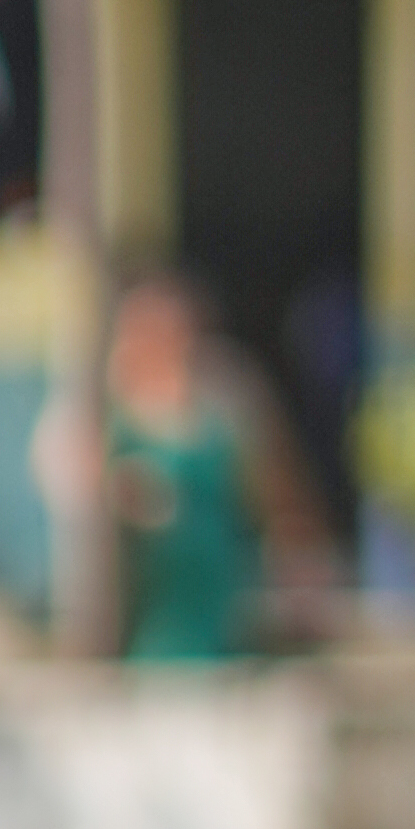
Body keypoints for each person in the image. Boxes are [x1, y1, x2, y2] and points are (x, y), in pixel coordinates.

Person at [105, 268, 330, 665]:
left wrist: (299, 568)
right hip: (152, 596)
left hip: (221, 583)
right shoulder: (111, 403)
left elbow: (278, 489)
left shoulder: (227, 392)